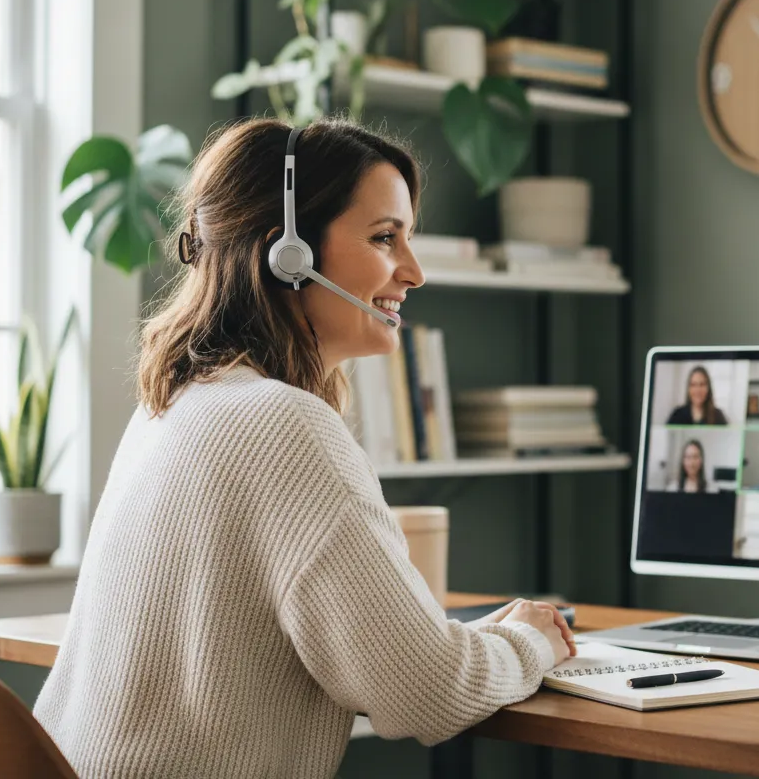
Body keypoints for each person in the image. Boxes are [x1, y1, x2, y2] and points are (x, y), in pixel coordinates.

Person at [33, 118, 574, 779]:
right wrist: (529, 642)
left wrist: (477, 641)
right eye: (384, 238)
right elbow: (429, 693)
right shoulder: (283, 425)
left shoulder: (172, 405)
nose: (414, 272)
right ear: (287, 253)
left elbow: (399, 664)